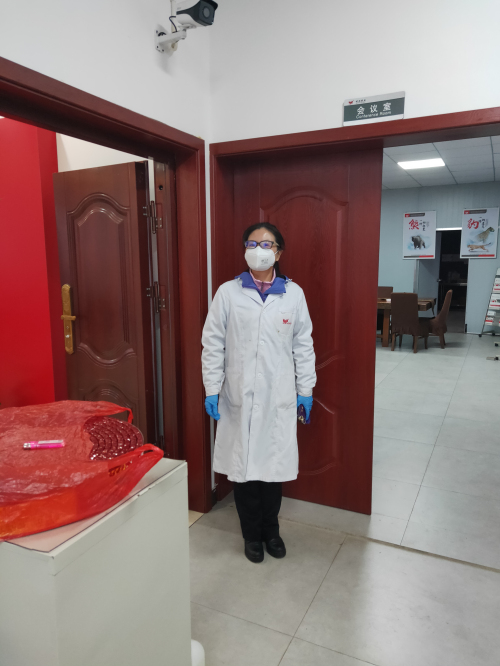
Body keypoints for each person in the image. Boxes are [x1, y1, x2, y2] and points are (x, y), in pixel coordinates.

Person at [201, 222, 316, 563]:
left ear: (278, 253)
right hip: (238, 395)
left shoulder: (293, 294)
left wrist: (305, 390)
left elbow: (303, 345)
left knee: (272, 470)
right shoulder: (228, 293)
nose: (258, 250)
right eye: (252, 244)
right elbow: (213, 343)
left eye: (267, 245)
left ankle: (271, 531)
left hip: (278, 398)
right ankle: (251, 535)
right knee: (244, 471)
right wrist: (212, 388)